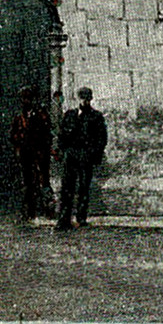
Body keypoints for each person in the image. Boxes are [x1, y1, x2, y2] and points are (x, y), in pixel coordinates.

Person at [56, 85, 107, 229]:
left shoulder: (96, 117)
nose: (85, 101)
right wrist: (63, 151)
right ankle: (64, 218)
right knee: (66, 187)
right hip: (71, 155)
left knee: (84, 188)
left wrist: (93, 154)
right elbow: (61, 135)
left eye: (87, 99)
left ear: (91, 99)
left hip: (86, 156)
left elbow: (101, 139)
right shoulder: (70, 115)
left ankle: (81, 217)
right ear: (78, 99)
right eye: (82, 98)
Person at [9, 88, 53, 223]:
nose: (26, 101)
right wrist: (19, 143)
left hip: (39, 152)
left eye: (28, 98)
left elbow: (47, 133)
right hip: (25, 152)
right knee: (27, 183)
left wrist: (45, 149)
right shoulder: (18, 116)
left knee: (44, 181)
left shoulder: (40, 114)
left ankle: (48, 210)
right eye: (24, 98)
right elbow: (13, 134)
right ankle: (29, 212)